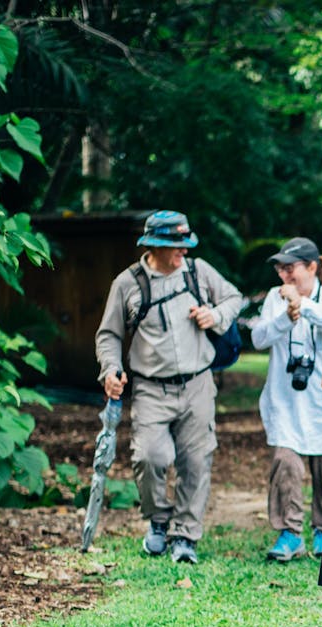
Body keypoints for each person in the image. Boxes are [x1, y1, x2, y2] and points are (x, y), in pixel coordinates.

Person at [95, 210, 244, 564]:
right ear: (154, 246)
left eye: (186, 245)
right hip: (150, 388)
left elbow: (234, 298)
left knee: (196, 461)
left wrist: (216, 316)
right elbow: (109, 335)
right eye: (177, 246)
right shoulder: (128, 283)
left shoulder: (198, 272)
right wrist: (110, 369)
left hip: (197, 384)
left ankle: (185, 536)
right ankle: (159, 522)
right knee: (150, 456)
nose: (184, 252)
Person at [250, 237, 322, 561]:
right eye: (280, 269)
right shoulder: (273, 297)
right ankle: (289, 533)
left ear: (312, 267)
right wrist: (287, 316)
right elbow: (257, 337)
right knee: (285, 462)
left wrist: (303, 305)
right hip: (285, 399)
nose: (284, 275)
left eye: (290, 268)